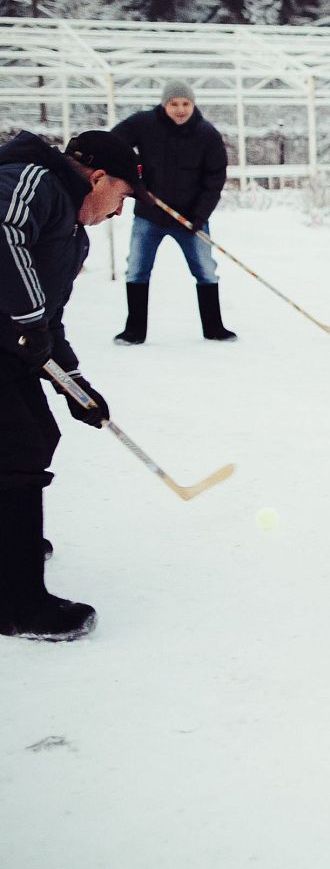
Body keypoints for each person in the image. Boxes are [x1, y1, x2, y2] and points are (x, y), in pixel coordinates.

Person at [1, 129, 145, 641]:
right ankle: (17, 603)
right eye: (121, 197)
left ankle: (12, 547)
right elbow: (4, 232)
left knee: (35, 436)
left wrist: (73, 383)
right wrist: (29, 322)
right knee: (19, 444)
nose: (119, 213)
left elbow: (47, 317)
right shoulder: (34, 181)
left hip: (8, 344)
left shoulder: (72, 234)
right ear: (98, 178)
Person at [109, 81, 234, 343]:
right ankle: (134, 332)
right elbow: (112, 145)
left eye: (186, 103)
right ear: (164, 104)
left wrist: (199, 216)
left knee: (206, 271)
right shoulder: (143, 124)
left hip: (190, 219)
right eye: (174, 104)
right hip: (150, 215)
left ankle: (214, 328)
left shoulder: (207, 134)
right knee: (136, 270)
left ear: (193, 104)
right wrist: (134, 180)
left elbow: (215, 179)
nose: (180, 109)